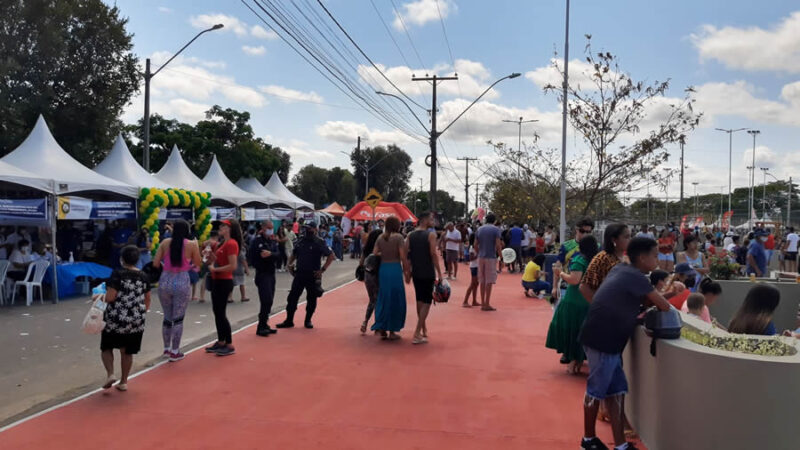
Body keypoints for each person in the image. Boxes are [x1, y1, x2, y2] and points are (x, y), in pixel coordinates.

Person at [578, 237, 672, 450]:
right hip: (604, 339)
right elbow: (663, 306)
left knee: (616, 391)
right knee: (596, 390)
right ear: (642, 257)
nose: (658, 259)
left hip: (605, 338)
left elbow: (646, 300)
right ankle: (588, 440)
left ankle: (620, 444)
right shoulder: (636, 277)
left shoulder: (621, 270)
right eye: (655, 255)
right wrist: (672, 292)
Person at [101, 245, 151, 391]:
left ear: (122, 259)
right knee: (127, 351)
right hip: (136, 319)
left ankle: (110, 374)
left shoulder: (118, 274)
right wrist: (141, 313)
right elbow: (147, 299)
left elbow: (110, 297)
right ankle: (123, 382)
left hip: (116, 318)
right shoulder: (143, 276)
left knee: (107, 346)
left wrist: (97, 297)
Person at [546, 235, 599, 374]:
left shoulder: (579, 260)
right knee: (582, 331)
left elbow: (574, 280)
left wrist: (560, 273)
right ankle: (578, 360)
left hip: (575, 299)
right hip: (590, 300)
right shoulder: (596, 260)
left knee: (571, 330)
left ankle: (573, 360)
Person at [152, 219, 202, 362]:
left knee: (167, 317)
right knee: (178, 318)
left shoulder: (165, 243)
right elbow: (198, 264)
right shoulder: (192, 244)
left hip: (165, 280)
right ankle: (175, 351)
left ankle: (166, 349)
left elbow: (156, 263)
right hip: (181, 281)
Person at [277, 221, 335, 329]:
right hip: (299, 274)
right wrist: (289, 265)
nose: (307, 230)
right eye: (305, 228)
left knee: (312, 299)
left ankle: (308, 320)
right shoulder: (300, 241)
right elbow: (294, 254)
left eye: (309, 228)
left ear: (315, 229)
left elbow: (331, 255)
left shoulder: (319, 242)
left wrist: (322, 270)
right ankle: (289, 320)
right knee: (292, 298)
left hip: (313, 275)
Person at [205, 219, 242, 356]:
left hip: (224, 281)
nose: (220, 228)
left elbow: (232, 266)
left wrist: (215, 269)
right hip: (217, 280)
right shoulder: (223, 243)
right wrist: (211, 257)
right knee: (217, 312)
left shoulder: (232, 244)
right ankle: (221, 341)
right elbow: (220, 260)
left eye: (223, 226)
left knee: (221, 313)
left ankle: (229, 343)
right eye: (220, 226)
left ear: (230, 229)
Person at [406, 212, 443, 344]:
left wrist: (407, 272)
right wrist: (440, 273)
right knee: (427, 302)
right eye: (431, 219)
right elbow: (433, 253)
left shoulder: (410, 235)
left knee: (419, 300)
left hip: (416, 272)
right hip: (427, 271)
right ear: (424, 220)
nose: (433, 221)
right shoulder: (431, 235)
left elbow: (406, 254)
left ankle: (423, 328)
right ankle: (417, 332)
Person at [371, 217, 409, 340]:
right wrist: (407, 271)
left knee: (384, 297)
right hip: (395, 269)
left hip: (384, 269)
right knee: (396, 298)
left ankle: (382, 326)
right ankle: (392, 330)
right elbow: (403, 256)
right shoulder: (398, 237)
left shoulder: (380, 238)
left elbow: (375, 253)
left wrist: (385, 254)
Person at [579, 223, 630, 303]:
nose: (630, 240)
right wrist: (601, 306)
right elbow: (584, 288)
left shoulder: (627, 258)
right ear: (614, 240)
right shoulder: (602, 258)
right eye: (626, 237)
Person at [249, 220, 280, 337]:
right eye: (268, 228)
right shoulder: (257, 241)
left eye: (272, 228)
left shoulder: (272, 241)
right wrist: (263, 258)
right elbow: (252, 257)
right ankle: (261, 326)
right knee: (266, 299)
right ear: (263, 228)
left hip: (271, 273)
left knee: (270, 300)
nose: (271, 230)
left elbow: (278, 255)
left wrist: (270, 255)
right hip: (262, 274)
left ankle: (265, 323)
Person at [552, 217, 595, 300]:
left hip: (588, 288)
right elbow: (557, 266)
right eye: (582, 231)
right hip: (567, 287)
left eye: (588, 232)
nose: (585, 234)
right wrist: (554, 287)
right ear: (576, 229)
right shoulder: (566, 246)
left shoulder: (597, 247)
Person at [475, 213, 503, 311]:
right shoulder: (496, 230)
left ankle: (482, 303)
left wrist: (479, 253)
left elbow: (475, 244)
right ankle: (487, 303)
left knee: (482, 280)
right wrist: (501, 257)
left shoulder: (479, 229)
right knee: (489, 281)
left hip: (481, 257)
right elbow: (498, 245)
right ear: (494, 220)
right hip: (491, 257)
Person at [359, 225, 383, 333]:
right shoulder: (379, 249)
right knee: (379, 300)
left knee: (372, 300)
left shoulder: (366, 248)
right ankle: (378, 324)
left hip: (368, 276)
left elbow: (361, 263)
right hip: (378, 275)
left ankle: (365, 321)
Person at [463, 233, 480, 307]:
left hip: (477, 266)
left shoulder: (476, 247)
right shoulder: (472, 248)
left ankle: (474, 300)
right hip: (474, 267)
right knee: (472, 284)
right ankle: (465, 301)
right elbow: (471, 258)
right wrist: (479, 255)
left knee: (476, 284)